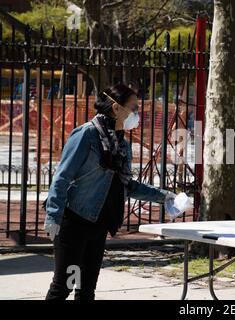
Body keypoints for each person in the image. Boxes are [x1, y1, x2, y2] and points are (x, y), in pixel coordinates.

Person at [44, 83, 177, 300]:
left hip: (99, 223)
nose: (136, 113)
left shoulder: (122, 144)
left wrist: (164, 196)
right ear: (116, 108)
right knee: (64, 285)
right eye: (133, 108)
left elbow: (126, 184)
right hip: (74, 222)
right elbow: (62, 176)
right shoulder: (87, 135)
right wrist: (53, 215)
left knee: (86, 289)